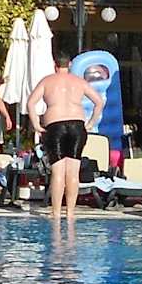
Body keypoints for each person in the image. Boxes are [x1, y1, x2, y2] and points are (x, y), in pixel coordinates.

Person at [25, 59, 103, 220]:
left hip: (55, 125)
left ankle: (56, 212)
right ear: (70, 64)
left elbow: (31, 103)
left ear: (55, 64)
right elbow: (99, 102)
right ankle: (70, 213)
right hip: (77, 126)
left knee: (58, 172)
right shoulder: (79, 82)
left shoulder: (47, 81)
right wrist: (90, 123)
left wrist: (37, 125)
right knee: (73, 172)